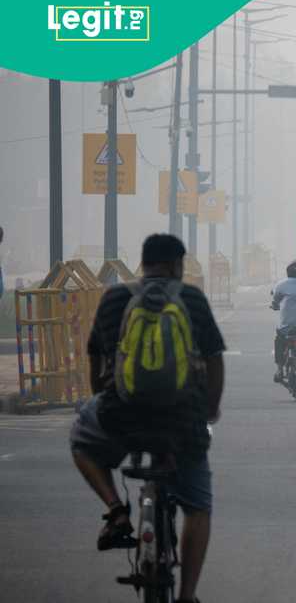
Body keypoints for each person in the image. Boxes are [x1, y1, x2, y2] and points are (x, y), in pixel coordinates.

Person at [70, 233, 225, 603]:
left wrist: (103, 399)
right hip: (182, 421)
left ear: (143, 263)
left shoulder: (114, 298)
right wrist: (210, 408)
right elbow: (215, 359)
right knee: (198, 506)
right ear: (177, 265)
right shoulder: (191, 298)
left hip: (120, 417)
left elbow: (95, 356)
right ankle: (187, 595)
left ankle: (116, 509)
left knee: (80, 441)